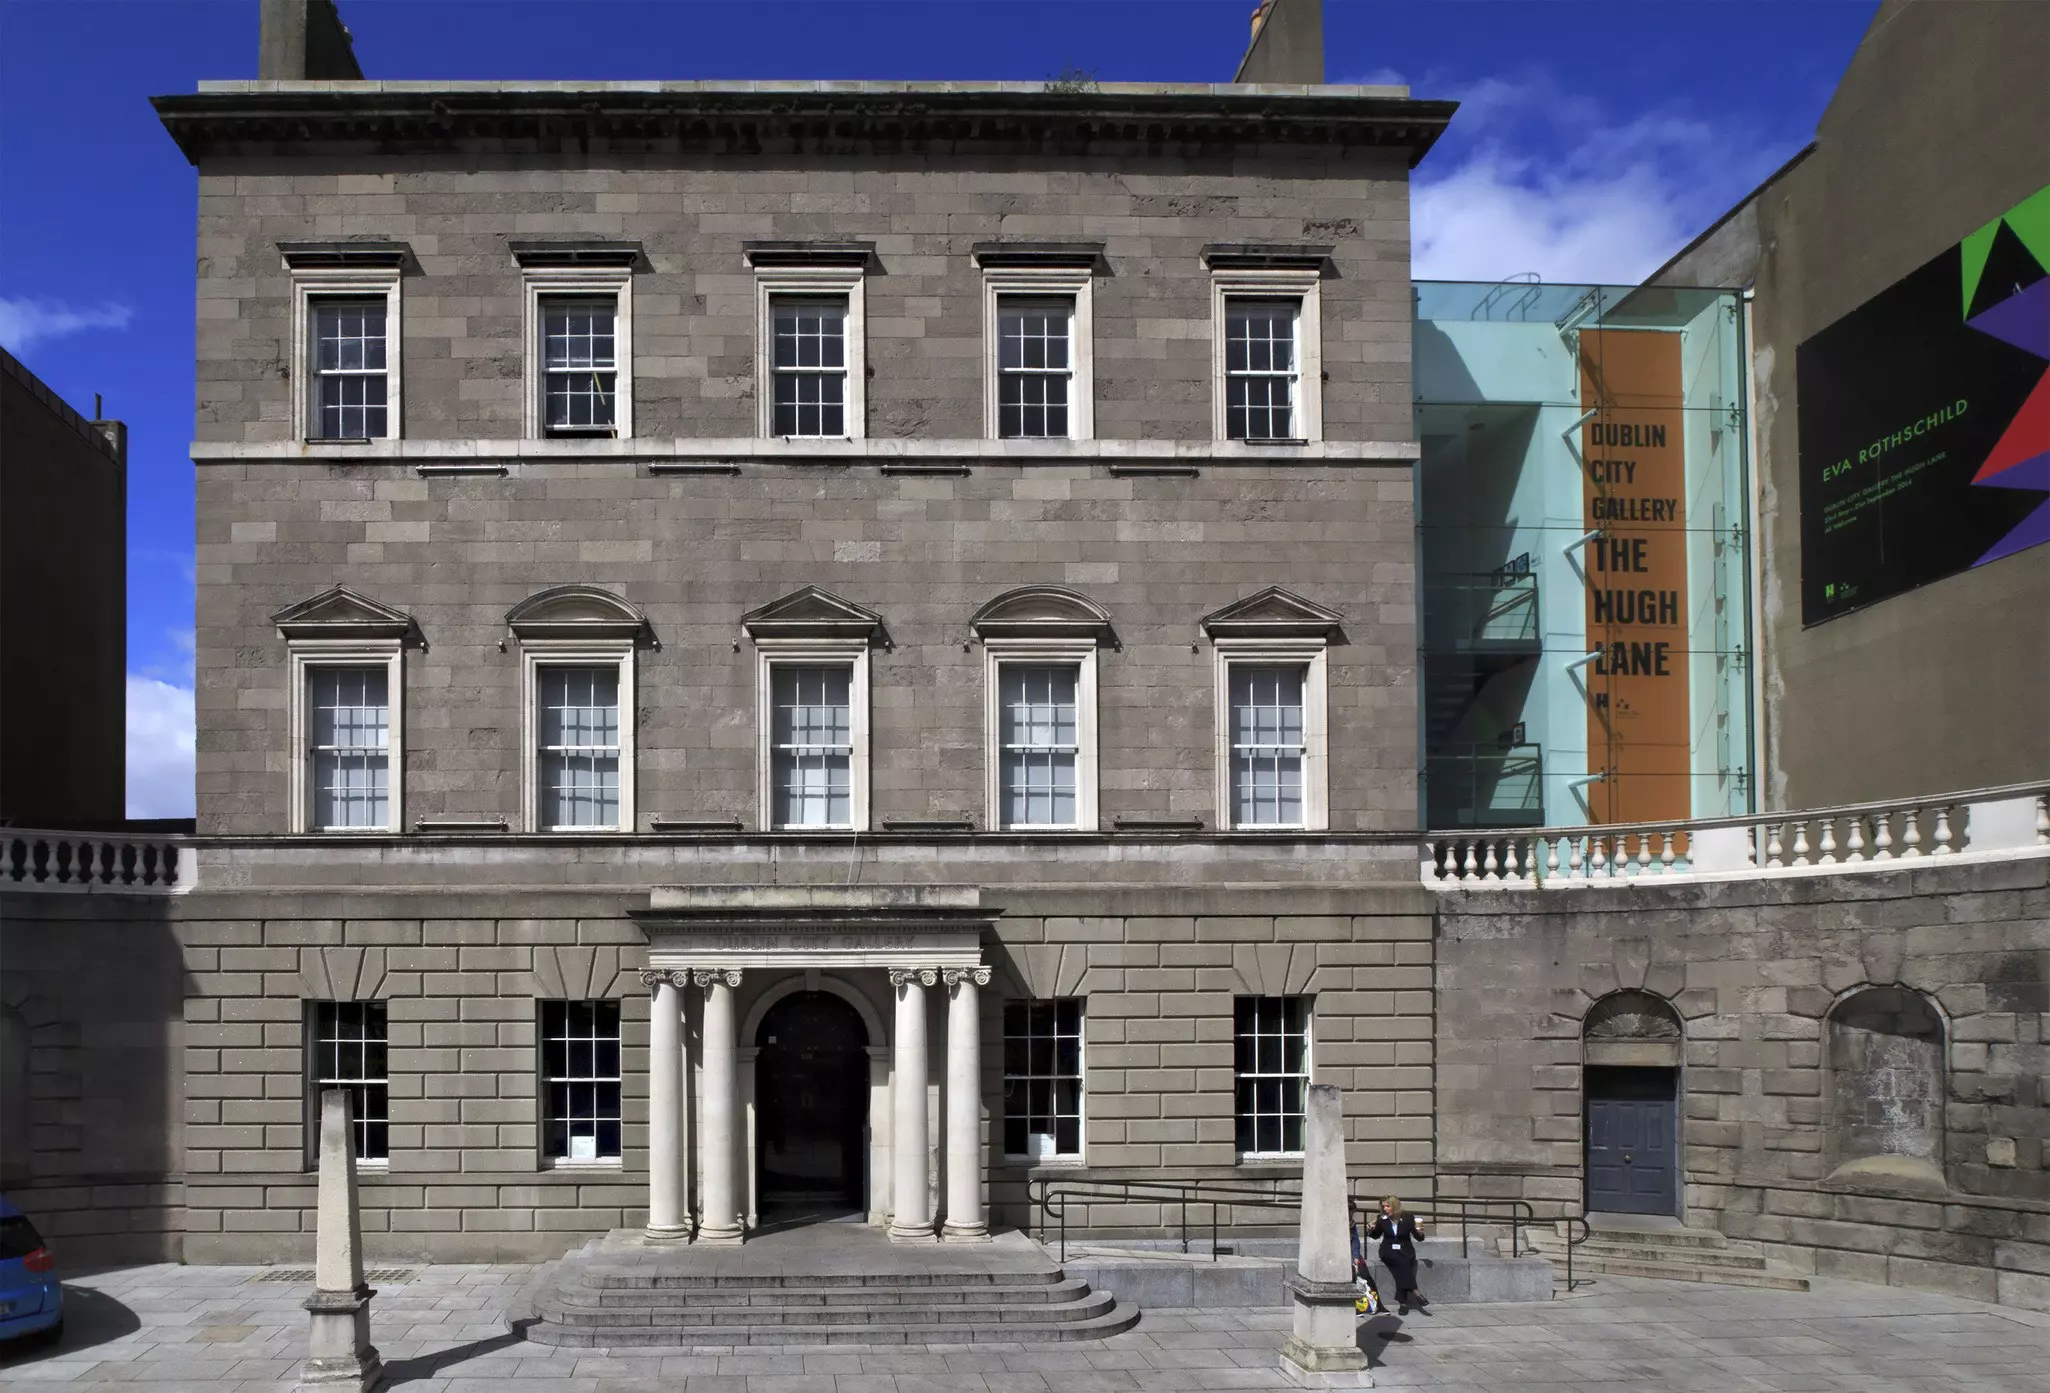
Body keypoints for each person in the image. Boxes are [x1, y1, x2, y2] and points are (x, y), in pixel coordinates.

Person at [1366, 1196, 1426, 1312]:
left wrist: (1420, 1232)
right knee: (1401, 1262)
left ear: (1395, 1205)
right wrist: (1370, 1230)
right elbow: (1375, 1235)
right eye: (1383, 1206)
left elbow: (1419, 1238)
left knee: (1401, 1267)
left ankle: (1403, 1303)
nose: (1385, 1208)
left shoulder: (1408, 1217)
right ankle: (1416, 1292)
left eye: (1387, 1206)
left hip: (1405, 1250)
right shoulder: (1382, 1218)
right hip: (1388, 1251)